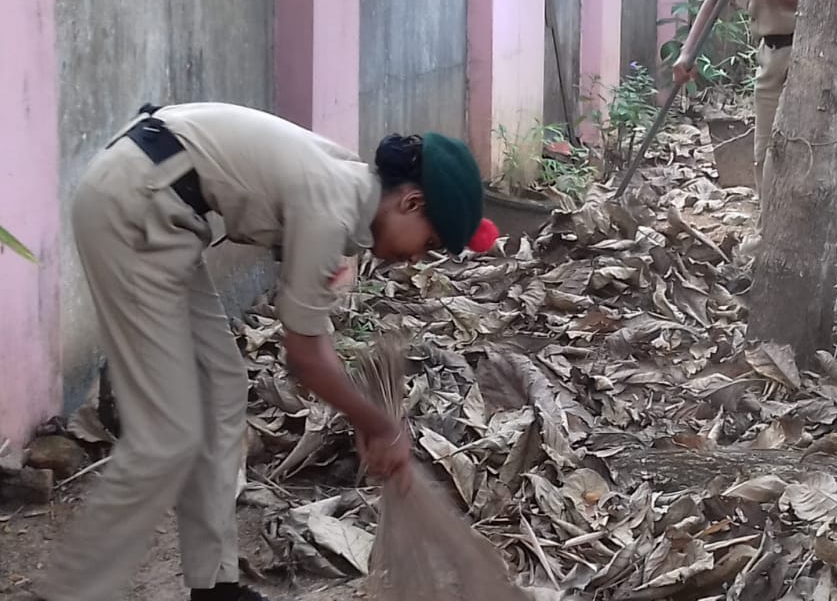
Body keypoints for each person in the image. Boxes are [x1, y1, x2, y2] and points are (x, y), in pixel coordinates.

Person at [35, 102, 499, 601]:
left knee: (222, 387)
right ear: (411, 202)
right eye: (428, 243)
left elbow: (311, 333)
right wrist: (381, 426)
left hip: (162, 208)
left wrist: (370, 421)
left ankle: (214, 585)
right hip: (133, 205)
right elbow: (303, 356)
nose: (415, 258)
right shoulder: (332, 205)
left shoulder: (347, 192)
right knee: (166, 436)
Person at [674, 0, 804, 211]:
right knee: (766, 155)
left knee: (801, 154)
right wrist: (687, 53)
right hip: (769, 57)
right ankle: (768, 229)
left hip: (802, 58)